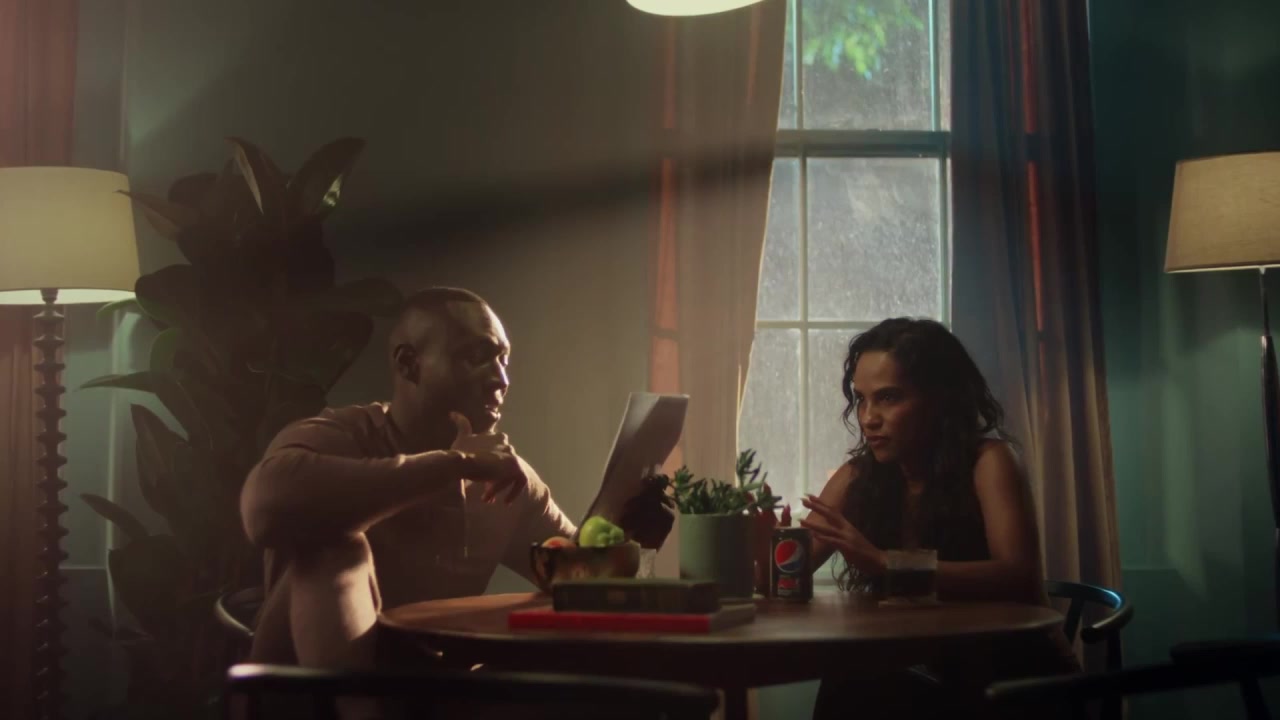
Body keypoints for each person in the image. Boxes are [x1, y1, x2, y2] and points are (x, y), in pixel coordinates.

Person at [240, 287, 675, 671]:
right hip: (296, 698)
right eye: (476, 356)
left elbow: (575, 582)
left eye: (503, 360)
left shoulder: (507, 479)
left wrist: (633, 540)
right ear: (409, 364)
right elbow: (262, 509)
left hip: (427, 693)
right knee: (337, 544)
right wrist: (455, 465)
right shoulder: (341, 436)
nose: (500, 379)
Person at [792, 318, 1077, 720]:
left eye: (888, 398)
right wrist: (750, 538)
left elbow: (1018, 575)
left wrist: (885, 563)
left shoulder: (989, 461)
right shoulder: (859, 476)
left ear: (939, 399)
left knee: (864, 686)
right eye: (861, 399)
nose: (869, 417)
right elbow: (789, 569)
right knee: (851, 678)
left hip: (1014, 672)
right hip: (930, 666)